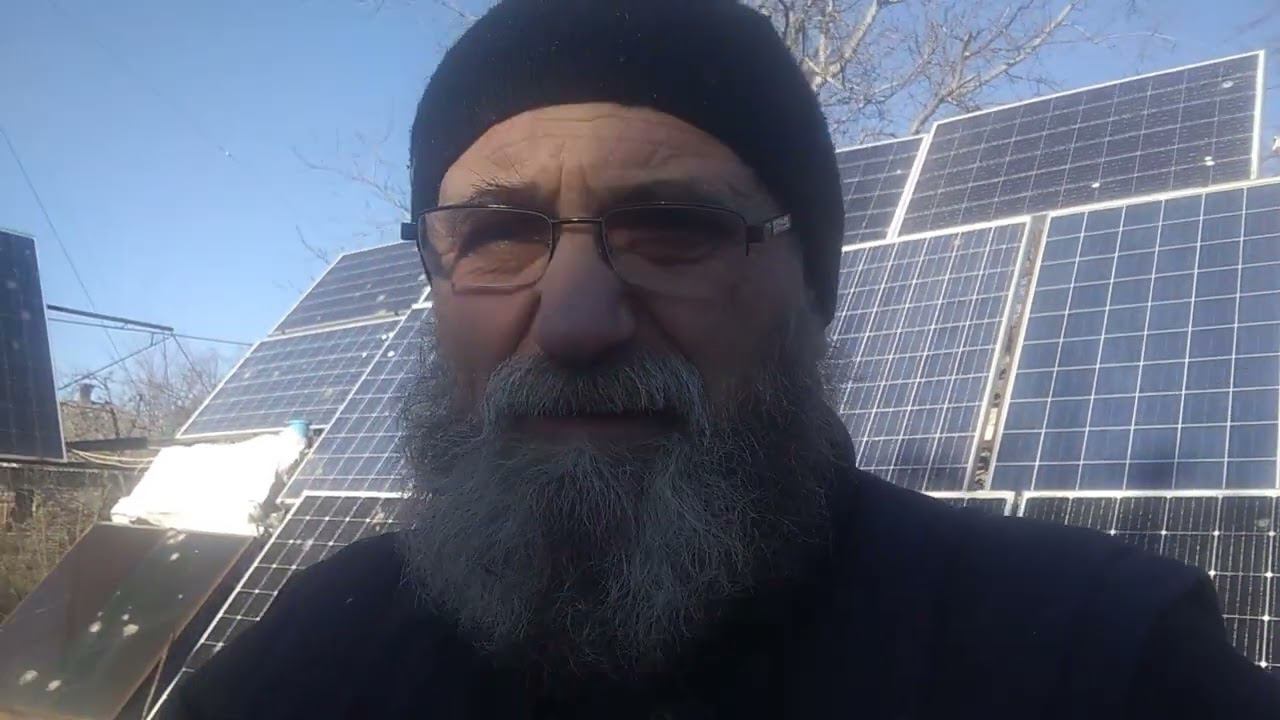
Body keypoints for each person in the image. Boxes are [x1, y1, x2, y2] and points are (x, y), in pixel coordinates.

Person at [169, 0, 1280, 717]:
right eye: (497, 235)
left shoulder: (1086, 658)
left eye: (673, 227)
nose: (575, 322)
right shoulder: (314, 654)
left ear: (812, 289)